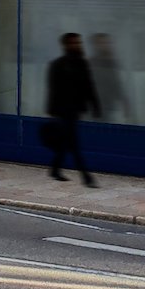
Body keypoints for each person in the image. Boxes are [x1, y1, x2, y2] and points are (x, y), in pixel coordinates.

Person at [45, 32, 100, 187]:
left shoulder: (82, 63)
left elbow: (89, 85)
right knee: (73, 143)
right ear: (65, 45)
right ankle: (86, 177)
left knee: (66, 142)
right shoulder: (58, 65)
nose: (77, 45)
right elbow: (53, 90)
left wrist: (95, 105)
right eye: (73, 43)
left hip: (75, 109)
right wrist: (52, 111)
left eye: (78, 42)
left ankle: (55, 170)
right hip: (63, 111)